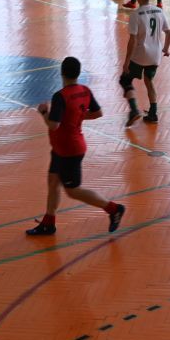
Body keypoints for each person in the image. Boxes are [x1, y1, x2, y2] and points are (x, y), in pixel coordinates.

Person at [27, 56, 126, 236]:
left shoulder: (60, 96)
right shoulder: (85, 91)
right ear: (78, 73)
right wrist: (77, 116)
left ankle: (113, 209)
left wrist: (44, 112)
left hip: (68, 151)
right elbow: (97, 113)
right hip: (61, 148)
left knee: (73, 191)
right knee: (53, 182)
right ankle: (48, 223)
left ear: (62, 73)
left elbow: (53, 125)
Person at [121, 0, 170, 126]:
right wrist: (166, 49)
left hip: (140, 55)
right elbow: (169, 33)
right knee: (149, 80)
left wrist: (126, 62)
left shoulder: (136, 14)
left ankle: (134, 110)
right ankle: (153, 113)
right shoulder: (160, 11)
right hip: (155, 55)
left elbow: (132, 40)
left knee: (125, 80)